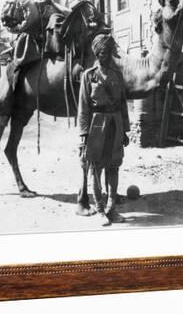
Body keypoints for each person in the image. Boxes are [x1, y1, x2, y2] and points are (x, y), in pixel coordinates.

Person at [78, 33, 130, 226]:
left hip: (115, 125)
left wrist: (125, 130)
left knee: (114, 167)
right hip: (96, 127)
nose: (106, 55)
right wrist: (83, 136)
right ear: (97, 53)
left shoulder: (117, 75)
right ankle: (99, 209)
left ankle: (112, 209)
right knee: (96, 168)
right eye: (102, 52)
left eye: (108, 51)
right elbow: (83, 108)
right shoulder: (88, 76)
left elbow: (123, 104)